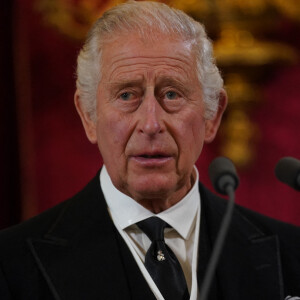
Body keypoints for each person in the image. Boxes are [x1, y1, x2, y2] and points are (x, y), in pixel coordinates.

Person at [0, 1, 299, 299]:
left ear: (212, 116)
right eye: (127, 95)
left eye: (172, 94)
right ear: (88, 116)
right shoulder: (11, 265)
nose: (151, 124)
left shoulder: (292, 255)